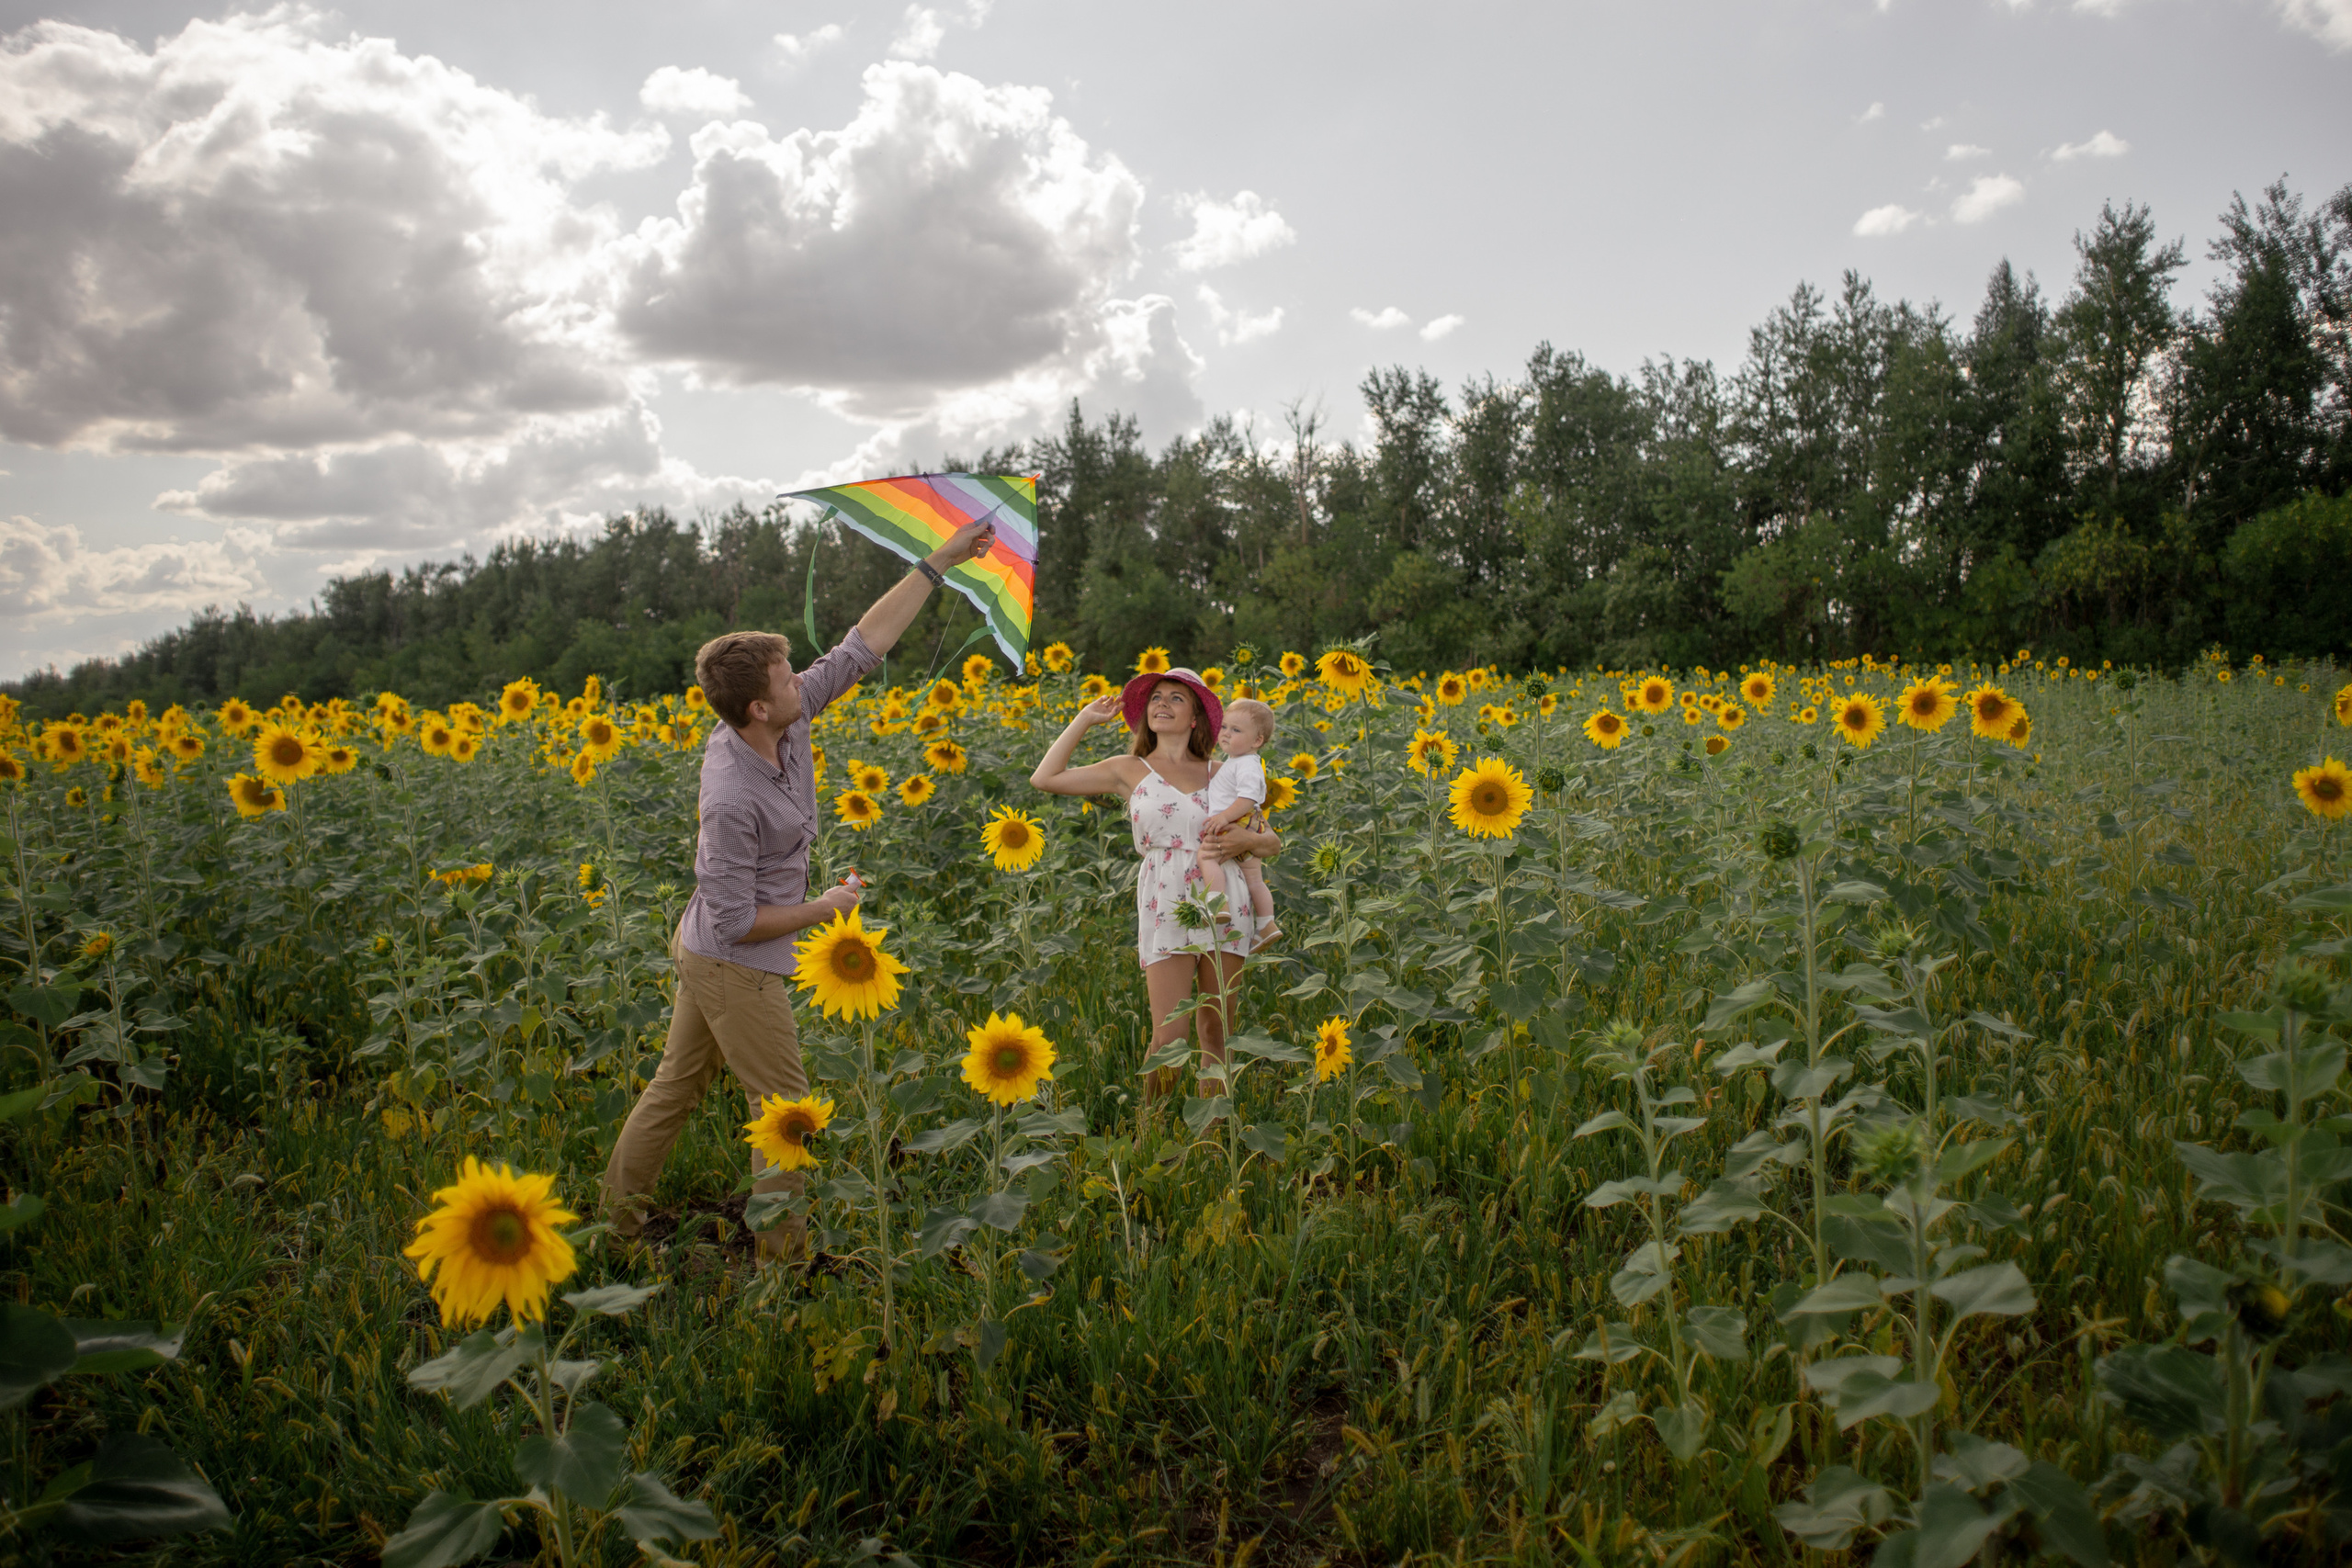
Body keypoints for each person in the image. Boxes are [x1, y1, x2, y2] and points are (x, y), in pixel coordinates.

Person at [601, 519, 998, 1261]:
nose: (802, 681)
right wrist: (826, 909)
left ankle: (615, 1228)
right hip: (731, 961)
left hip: (711, 948)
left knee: (674, 1088)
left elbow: (860, 646)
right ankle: (785, 1260)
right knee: (785, 1107)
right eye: (788, 678)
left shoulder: (784, 719)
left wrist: (940, 561)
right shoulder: (730, 795)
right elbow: (735, 919)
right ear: (756, 706)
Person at [1029, 667, 1282, 1097]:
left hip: (1226, 898)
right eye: (1156, 697)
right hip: (1165, 900)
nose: (1162, 704)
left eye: (1176, 698)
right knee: (1170, 1036)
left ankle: (1211, 1137)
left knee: (1216, 1030)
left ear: (1197, 717)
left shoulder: (1225, 770)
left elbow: (1271, 842)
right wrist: (1085, 719)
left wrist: (1245, 838)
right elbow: (1044, 778)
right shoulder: (1128, 769)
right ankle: (1153, 1132)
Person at [1199, 697, 1281, 950]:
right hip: (1248, 823)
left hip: (1237, 821)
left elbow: (1248, 798)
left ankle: (1217, 903)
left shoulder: (1245, 764)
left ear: (1257, 741)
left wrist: (1224, 817)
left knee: (1208, 857)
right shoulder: (1240, 762)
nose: (1225, 734)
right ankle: (1267, 924)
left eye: (1235, 730)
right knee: (1254, 879)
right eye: (1224, 727)